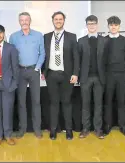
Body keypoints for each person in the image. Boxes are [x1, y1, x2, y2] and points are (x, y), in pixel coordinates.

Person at [42, 11, 79, 140]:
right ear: (52, 21)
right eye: (56, 19)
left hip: (67, 75)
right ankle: (53, 130)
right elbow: (43, 55)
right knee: (53, 103)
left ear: (64, 21)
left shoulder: (71, 36)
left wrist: (75, 73)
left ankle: (69, 130)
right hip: (51, 74)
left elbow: (76, 56)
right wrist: (43, 71)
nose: (58, 21)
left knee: (67, 102)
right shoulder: (46, 37)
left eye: (60, 19)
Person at [9, 12, 45, 139]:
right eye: (22, 20)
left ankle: (37, 129)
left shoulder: (38, 35)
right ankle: (22, 129)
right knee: (21, 102)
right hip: (20, 72)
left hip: (33, 71)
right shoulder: (13, 37)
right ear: (19, 22)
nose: (24, 22)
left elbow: (42, 53)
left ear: (30, 21)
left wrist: (37, 68)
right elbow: (11, 55)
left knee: (36, 101)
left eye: (26, 20)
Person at [78, 15, 106, 139]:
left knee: (98, 104)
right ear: (86, 25)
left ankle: (98, 129)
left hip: (100, 78)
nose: (92, 26)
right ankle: (85, 128)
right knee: (85, 104)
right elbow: (78, 61)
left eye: (94, 23)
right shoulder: (81, 41)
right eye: (89, 24)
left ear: (97, 25)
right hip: (85, 78)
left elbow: (107, 60)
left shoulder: (104, 40)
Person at [103, 16, 125, 137]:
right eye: (111, 25)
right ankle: (107, 125)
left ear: (119, 26)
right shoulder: (103, 40)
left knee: (122, 101)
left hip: (121, 74)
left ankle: (123, 125)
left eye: (116, 25)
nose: (113, 27)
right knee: (108, 101)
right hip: (108, 75)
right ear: (108, 26)